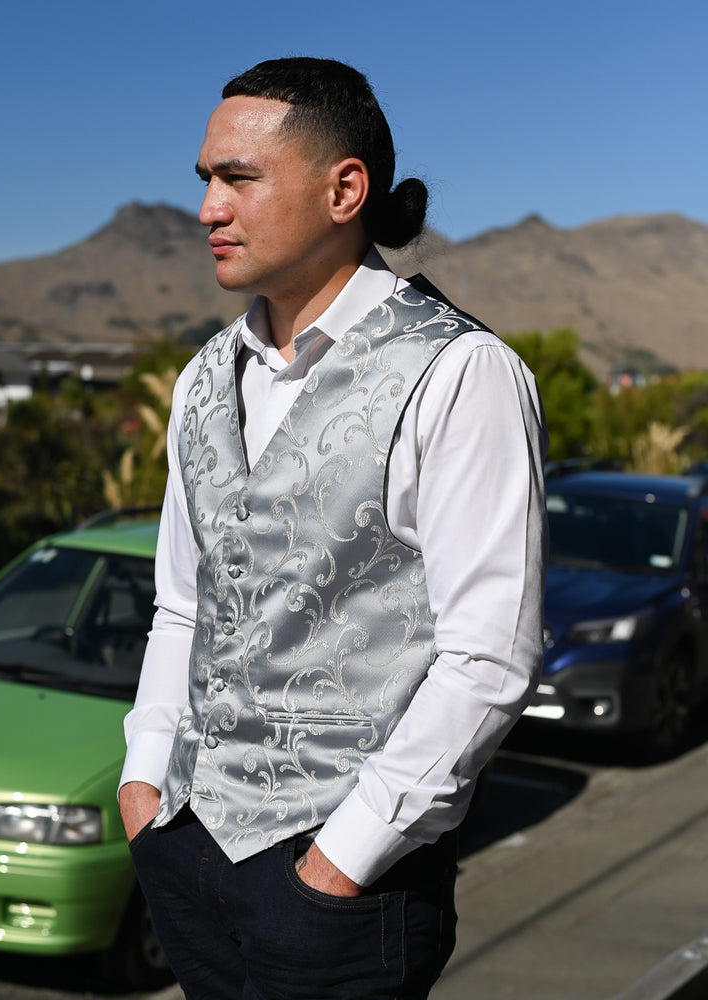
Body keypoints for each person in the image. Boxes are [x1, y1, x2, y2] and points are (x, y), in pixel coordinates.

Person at [119, 56, 548, 999]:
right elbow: (184, 606)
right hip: (185, 853)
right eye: (206, 181)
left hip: (338, 887)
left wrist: (339, 862)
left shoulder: (458, 373)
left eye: (238, 179)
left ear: (344, 188)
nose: (207, 211)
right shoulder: (201, 380)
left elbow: (491, 659)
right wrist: (144, 782)